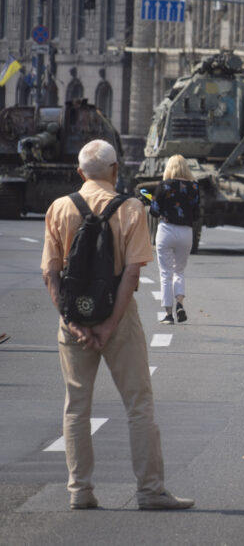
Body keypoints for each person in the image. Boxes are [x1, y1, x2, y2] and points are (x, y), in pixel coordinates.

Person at [41, 139, 194, 511]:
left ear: (80, 173)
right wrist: (109, 324)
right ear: (115, 170)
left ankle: (80, 490)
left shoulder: (59, 208)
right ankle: (150, 490)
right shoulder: (130, 208)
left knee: (76, 406)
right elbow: (130, 273)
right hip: (119, 318)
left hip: (72, 318)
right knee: (138, 404)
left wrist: (72, 321)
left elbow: (51, 272)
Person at [149, 154, 201, 325]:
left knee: (165, 274)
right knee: (179, 271)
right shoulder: (194, 187)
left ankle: (168, 314)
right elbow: (196, 214)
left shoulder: (163, 186)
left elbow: (154, 211)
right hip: (186, 232)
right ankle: (179, 303)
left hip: (166, 230)